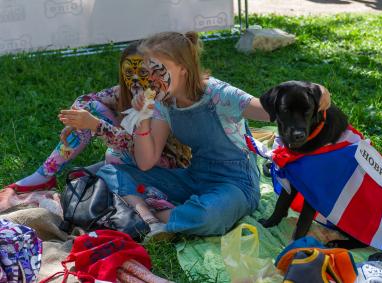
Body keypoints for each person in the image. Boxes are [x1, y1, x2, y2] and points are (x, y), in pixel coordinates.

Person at [97, 31, 331, 240]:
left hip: (236, 185)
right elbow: (146, 162)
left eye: (158, 70)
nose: (150, 80)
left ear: (182, 69)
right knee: (112, 168)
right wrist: (143, 118)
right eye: (147, 71)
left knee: (210, 215)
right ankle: (148, 219)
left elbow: (271, 110)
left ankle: (154, 217)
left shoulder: (219, 94)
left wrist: (319, 91)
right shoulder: (162, 102)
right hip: (195, 177)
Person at [5, 41, 191, 197]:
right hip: (133, 153)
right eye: (128, 73)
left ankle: (102, 173)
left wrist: (94, 124)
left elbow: (141, 149)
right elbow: (89, 99)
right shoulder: (123, 92)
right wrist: (76, 119)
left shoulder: (161, 98)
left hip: (165, 164)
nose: (134, 79)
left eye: (142, 73)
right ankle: (46, 173)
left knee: (114, 154)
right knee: (91, 107)